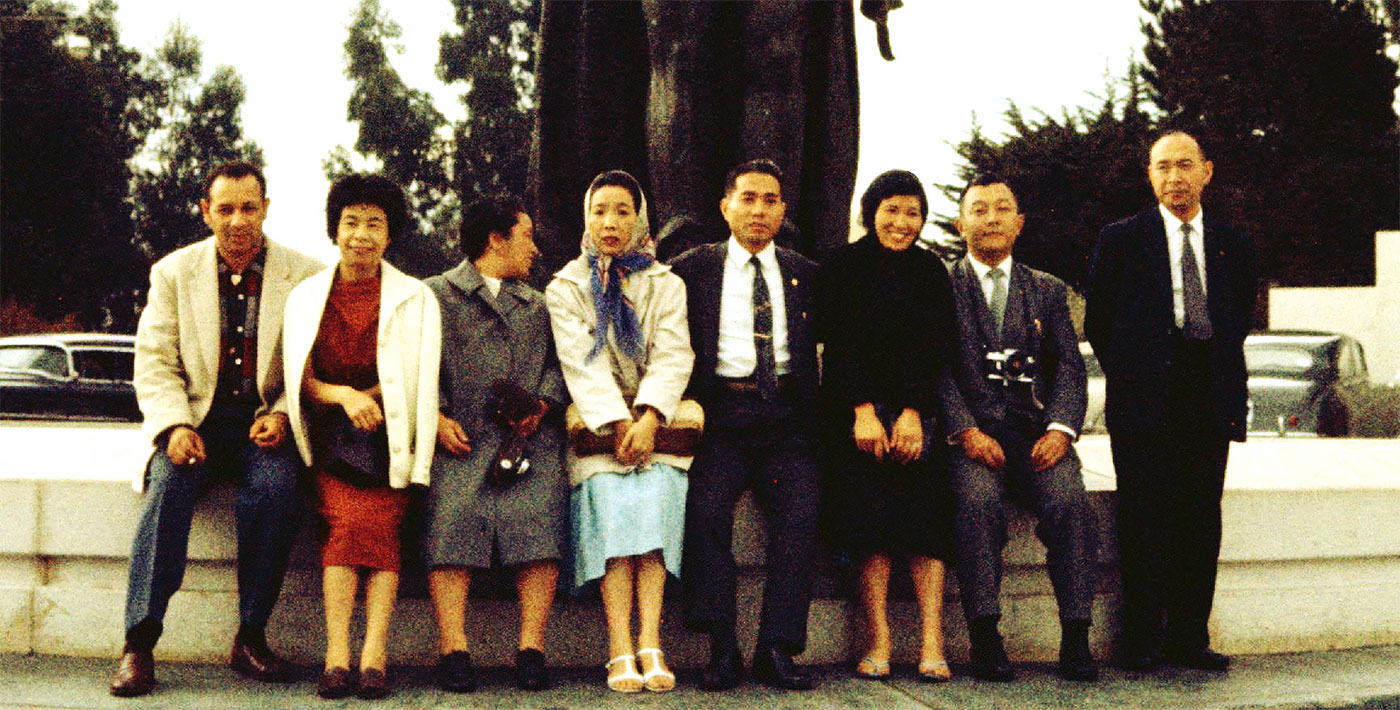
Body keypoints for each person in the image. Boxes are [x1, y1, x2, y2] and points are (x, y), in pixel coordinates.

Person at [110, 161, 323, 699]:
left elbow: (311, 364)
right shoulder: (173, 273)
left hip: (263, 426)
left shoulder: (306, 275)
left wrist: (281, 412)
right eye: (224, 209)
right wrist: (174, 426)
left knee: (278, 492)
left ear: (266, 209)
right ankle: (139, 643)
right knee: (167, 491)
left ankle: (250, 636)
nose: (237, 221)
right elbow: (155, 362)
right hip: (196, 423)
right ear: (206, 212)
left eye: (248, 208)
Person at [1085, 131, 1257, 673]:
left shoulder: (1234, 242)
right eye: (1163, 167)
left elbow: (1238, 317)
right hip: (1144, 398)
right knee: (1143, 518)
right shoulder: (1120, 239)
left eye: (1185, 165)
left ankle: (1189, 639)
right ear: (1150, 174)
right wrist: (1138, 379)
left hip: (1208, 392)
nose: (1174, 177)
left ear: (1207, 171)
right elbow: (1100, 323)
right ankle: (1140, 641)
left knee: (1200, 518)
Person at [282, 173, 441, 700]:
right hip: (332, 441)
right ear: (334, 230)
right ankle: (337, 655)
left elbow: (419, 374)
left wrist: (372, 396)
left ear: (390, 234)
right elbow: (295, 376)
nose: (362, 235)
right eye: (351, 222)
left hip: (390, 438)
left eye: (375, 224)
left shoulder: (415, 298)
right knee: (348, 525)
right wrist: (344, 397)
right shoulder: (306, 297)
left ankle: (372, 656)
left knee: (383, 528)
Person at [939, 175, 1100, 682]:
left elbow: (1071, 369)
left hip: (1036, 435)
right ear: (961, 222)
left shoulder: (1048, 290)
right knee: (977, 504)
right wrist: (965, 430)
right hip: (973, 436)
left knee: (1070, 503)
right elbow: (934, 368)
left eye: (1002, 208)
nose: (991, 218)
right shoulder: (941, 286)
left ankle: (1076, 638)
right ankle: (986, 637)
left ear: (1019, 222)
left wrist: (1059, 431)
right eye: (979, 209)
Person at [670, 159, 822, 691]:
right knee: (706, 511)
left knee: (802, 515)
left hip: (786, 417)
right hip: (721, 414)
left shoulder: (807, 273)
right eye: (749, 198)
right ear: (726, 206)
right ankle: (721, 647)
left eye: (771, 200)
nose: (759, 210)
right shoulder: (691, 269)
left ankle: (778, 648)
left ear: (783, 210)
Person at [544, 170, 694, 694]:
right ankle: (617, 647)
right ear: (586, 217)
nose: (610, 222)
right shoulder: (565, 286)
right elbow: (579, 364)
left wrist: (651, 417)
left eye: (623, 211)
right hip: (601, 427)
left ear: (640, 218)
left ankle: (650, 642)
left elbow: (674, 353)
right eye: (600, 210)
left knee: (652, 513)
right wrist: (620, 422)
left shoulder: (666, 282)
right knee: (612, 511)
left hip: (657, 426)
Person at [816, 170, 958, 682]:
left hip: (916, 414)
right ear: (872, 210)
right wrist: (863, 410)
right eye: (891, 210)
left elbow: (937, 350)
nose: (902, 223)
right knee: (869, 516)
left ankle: (932, 638)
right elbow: (839, 346)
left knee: (926, 518)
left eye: (913, 212)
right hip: (856, 416)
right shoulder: (843, 267)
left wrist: (915, 414)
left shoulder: (930, 272)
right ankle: (878, 637)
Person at [422, 194, 567, 693]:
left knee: (541, 512)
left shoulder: (540, 304)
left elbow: (560, 365)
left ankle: (531, 649)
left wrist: (543, 403)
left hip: (527, 442)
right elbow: (415, 365)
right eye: (526, 235)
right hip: (459, 439)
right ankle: (454, 649)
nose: (534, 248)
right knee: (453, 513)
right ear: (495, 239)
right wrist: (436, 416)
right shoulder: (434, 295)